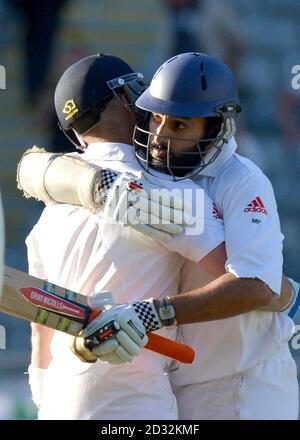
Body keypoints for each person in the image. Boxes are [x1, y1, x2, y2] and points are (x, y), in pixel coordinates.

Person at [23, 53, 298, 420]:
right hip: (171, 386)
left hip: (245, 382)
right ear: (128, 103)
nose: (160, 136)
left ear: (214, 126)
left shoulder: (238, 180)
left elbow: (258, 287)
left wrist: (150, 313)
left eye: (180, 126)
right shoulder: (152, 185)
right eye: (156, 117)